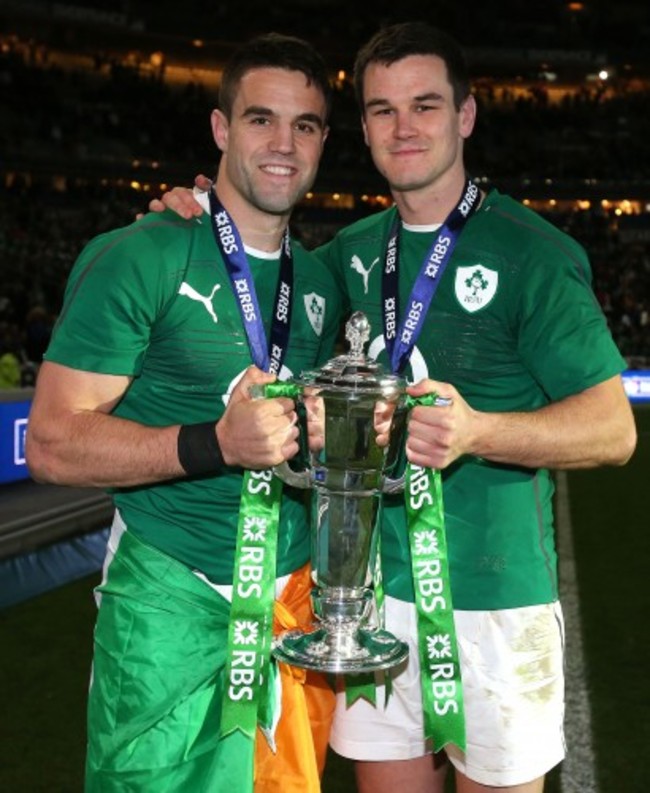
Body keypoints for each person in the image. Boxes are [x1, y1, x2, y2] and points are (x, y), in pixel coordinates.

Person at [153, 21, 637, 793]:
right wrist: (201, 210)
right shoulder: (349, 254)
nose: (403, 127)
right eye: (382, 110)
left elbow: (614, 429)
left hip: (493, 606)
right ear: (366, 128)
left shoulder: (531, 253)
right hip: (368, 602)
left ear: (466, 115)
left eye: (425, 105)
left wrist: (481, 430)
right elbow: (264, 275)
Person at [25, 33, 343, 793]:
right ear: (221, 129)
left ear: (324, 141)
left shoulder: (325, 281)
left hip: (289, 605)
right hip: (171, 598)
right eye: (261, 119)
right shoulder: (141, 255)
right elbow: (53, 442)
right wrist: (215, 443)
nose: (282, 143)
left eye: (305, 125)